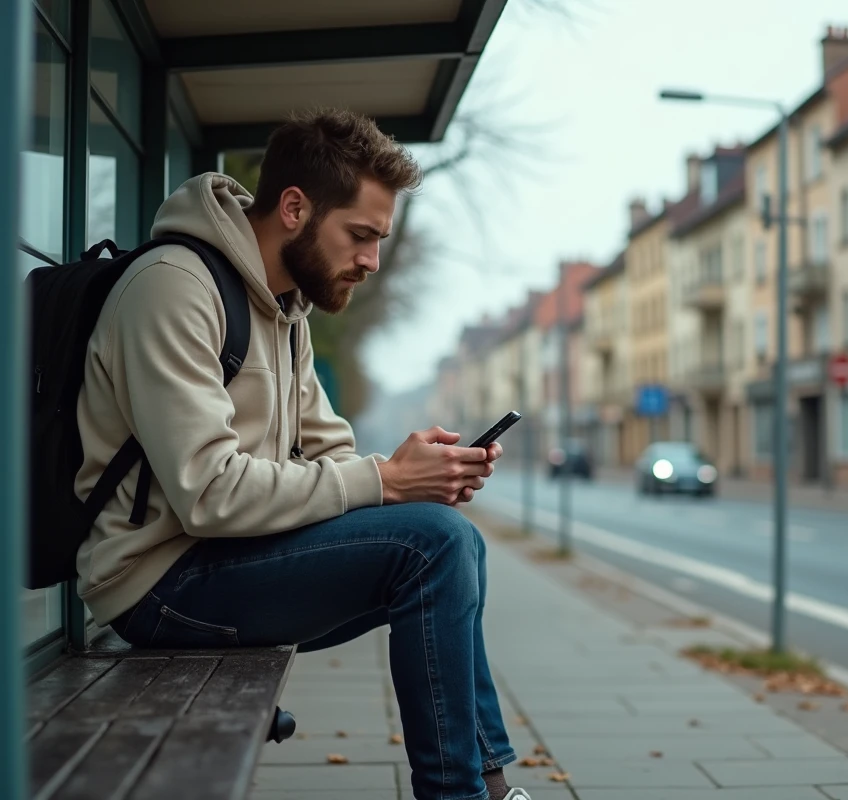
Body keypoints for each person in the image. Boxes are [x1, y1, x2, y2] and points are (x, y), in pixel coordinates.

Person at [74, 108, 527, 800]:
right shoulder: (175, 288)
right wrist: (385, 482)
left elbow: (331, 454)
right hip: (157, 582)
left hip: (223, 556)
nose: (372, 261)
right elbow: (209, 492)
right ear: (294, 208)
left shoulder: (287, 311)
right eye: (362, 236)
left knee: (453, 543)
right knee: (433, 548)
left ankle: (489, 788)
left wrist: (418, 483)